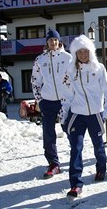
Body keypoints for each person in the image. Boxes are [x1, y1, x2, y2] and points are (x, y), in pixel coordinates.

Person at [60, 35, 107, 199]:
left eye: (86, 51)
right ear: (75, 53)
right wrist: (64, 114)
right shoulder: (70, 71)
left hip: (95, 113)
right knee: (75, 148)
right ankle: (75, 184)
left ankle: (101, 168)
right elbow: (66, 94)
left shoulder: (99, 68)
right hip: (77, 114)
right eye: (79, 51)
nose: (83, 54)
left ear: (91, 52)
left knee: (98, 145)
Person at [31, 29, 72, 179]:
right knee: (48, 134)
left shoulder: (68, 58)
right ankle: (53, 164)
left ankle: (75, 158)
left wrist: (71, 97)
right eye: (50, 40)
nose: (53, 43)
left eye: (55, 40)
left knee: (69, 130)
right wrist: (39, 100)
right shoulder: (40, 60)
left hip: (64, 101)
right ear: (47, 42)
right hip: (47, 101)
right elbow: (35, 81)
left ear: (59, 41)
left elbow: (73, 78)